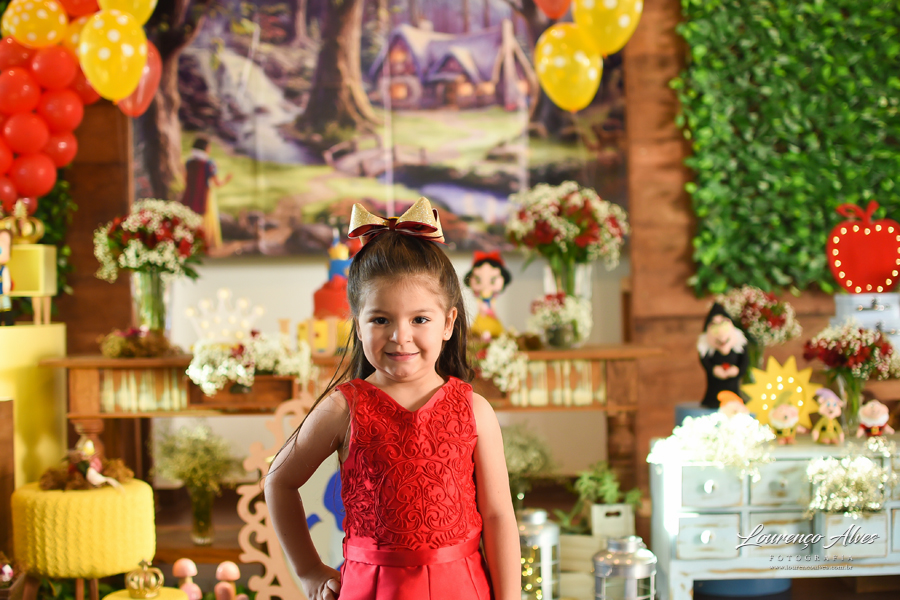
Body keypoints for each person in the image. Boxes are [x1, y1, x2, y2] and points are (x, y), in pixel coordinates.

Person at [265, 198, 521, 600]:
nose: (401, 336)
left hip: (462, 587)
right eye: (381, 319)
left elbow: (498, 515)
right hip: (371, 589)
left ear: (448, 323)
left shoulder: (475, 410)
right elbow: (279, 481)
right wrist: (309, 569)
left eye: (420, 319)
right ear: (358, 324)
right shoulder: (343, 408)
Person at [181, 137, 232, 251]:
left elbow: (185, 179)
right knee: (206, 220)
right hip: (206, 196)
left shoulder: (189, 162)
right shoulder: (209, 164)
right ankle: (206, 242)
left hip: (190, 195)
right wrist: (227, 179)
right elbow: (217, 183)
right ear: (205, 148)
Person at [697, 302, 749, 409]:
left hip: (734, 391)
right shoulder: (708, 350)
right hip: (714, 392)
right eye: (715, 329)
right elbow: (705, 362)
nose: (721, 335)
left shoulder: (739, 347)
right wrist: (713, 369)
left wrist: (737, 371)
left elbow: (745, 362)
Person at [464, 250, 512, 340]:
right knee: (478, 333)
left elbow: (493, 305)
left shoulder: (492, 297)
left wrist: (491, 311)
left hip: (491, 316)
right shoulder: (480, 297)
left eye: (493, 280)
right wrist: (484, 309)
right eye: (478, 280)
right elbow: (479, 304)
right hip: (482, 316)